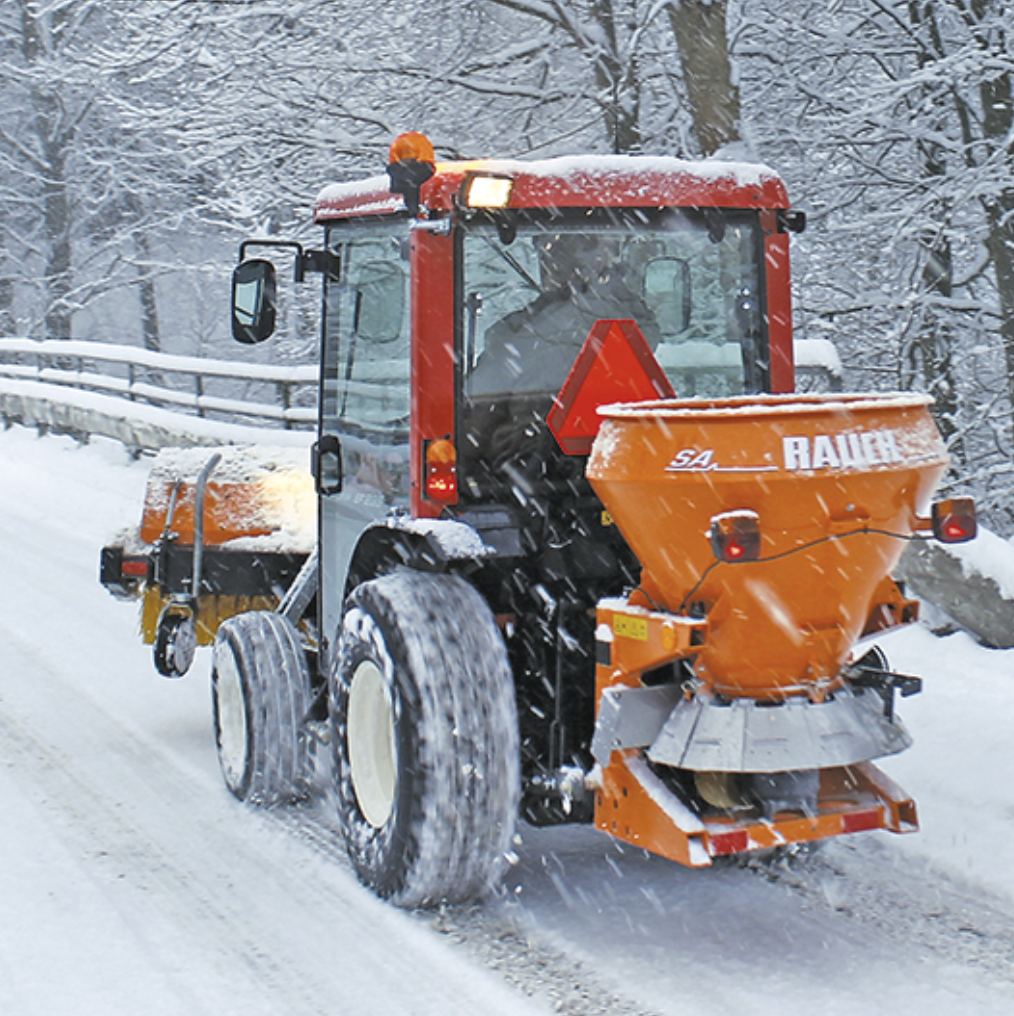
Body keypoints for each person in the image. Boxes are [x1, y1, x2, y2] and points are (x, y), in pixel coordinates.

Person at [467, 232, 662, 398]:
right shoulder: (628, 314)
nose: (547, 267)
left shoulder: (542, 331)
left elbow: (482, 394)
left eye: (556, 255)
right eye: (545, 256)